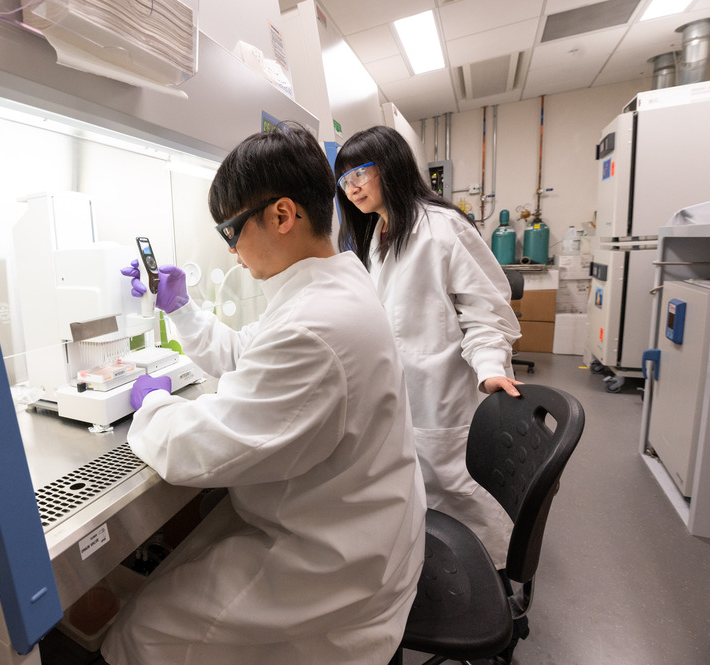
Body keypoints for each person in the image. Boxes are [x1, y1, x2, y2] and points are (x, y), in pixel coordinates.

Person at [100, 124, 426, 665]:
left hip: (332, 566)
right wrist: (179, 306)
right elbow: (245, 354)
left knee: (140, 633)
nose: (232, 254)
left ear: (281, 215)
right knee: (180, 568)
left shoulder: (315, 326)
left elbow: (195, 450)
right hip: (348, 521)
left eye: (231, 234)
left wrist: (149, 404)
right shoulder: (329, 286)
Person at [333, 125, 521, 569]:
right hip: (403, 396)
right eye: (344, 179)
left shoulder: (442, 229)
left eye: (360, 172)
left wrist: (491, 366)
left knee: (461, 493)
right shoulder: (376, 236)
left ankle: (495, 581)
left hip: (445, 395)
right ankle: (440, 573)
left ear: (392, 166)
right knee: (423, 499)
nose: (352, 186)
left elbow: (486, 312)